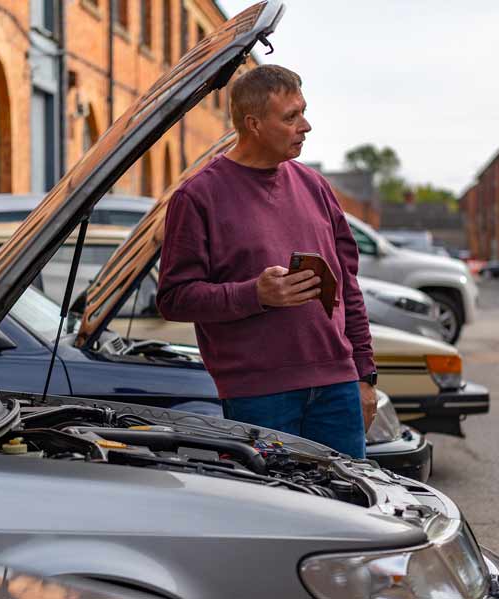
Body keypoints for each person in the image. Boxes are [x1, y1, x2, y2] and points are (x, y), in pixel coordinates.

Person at [156, 65, 376, 459]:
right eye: (291, 117)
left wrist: (364, 375)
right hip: (258, 395)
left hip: (337, 387)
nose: (305, 126)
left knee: (350, 513)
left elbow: (349, 287)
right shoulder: (198, 197)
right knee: (273, 515)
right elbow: (174, 298)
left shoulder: (315, 186)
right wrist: (255, 294)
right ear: (253, 124)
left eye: (303, 111)